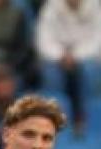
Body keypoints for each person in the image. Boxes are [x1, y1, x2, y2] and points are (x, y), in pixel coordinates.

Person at [37, 0, 101, 132]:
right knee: (50, 73)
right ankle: (56, 121)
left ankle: (84, 120)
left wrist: (76, 56)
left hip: (86, 57)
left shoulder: (95, 6)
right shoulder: (51, 7)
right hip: (57, 57)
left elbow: (97, 41)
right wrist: (60, 55)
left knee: (89, 70)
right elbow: (43, 40)